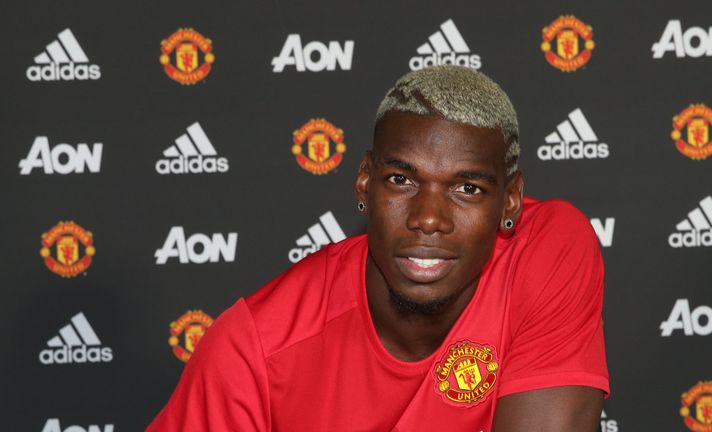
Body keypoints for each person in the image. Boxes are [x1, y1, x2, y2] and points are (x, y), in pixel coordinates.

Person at [147, 65, 609, 431]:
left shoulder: (547, 247)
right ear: (365, 183)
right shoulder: (255, 348)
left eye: (467, 188)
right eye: (402, 180)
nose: (429, 218)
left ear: (511, 200)